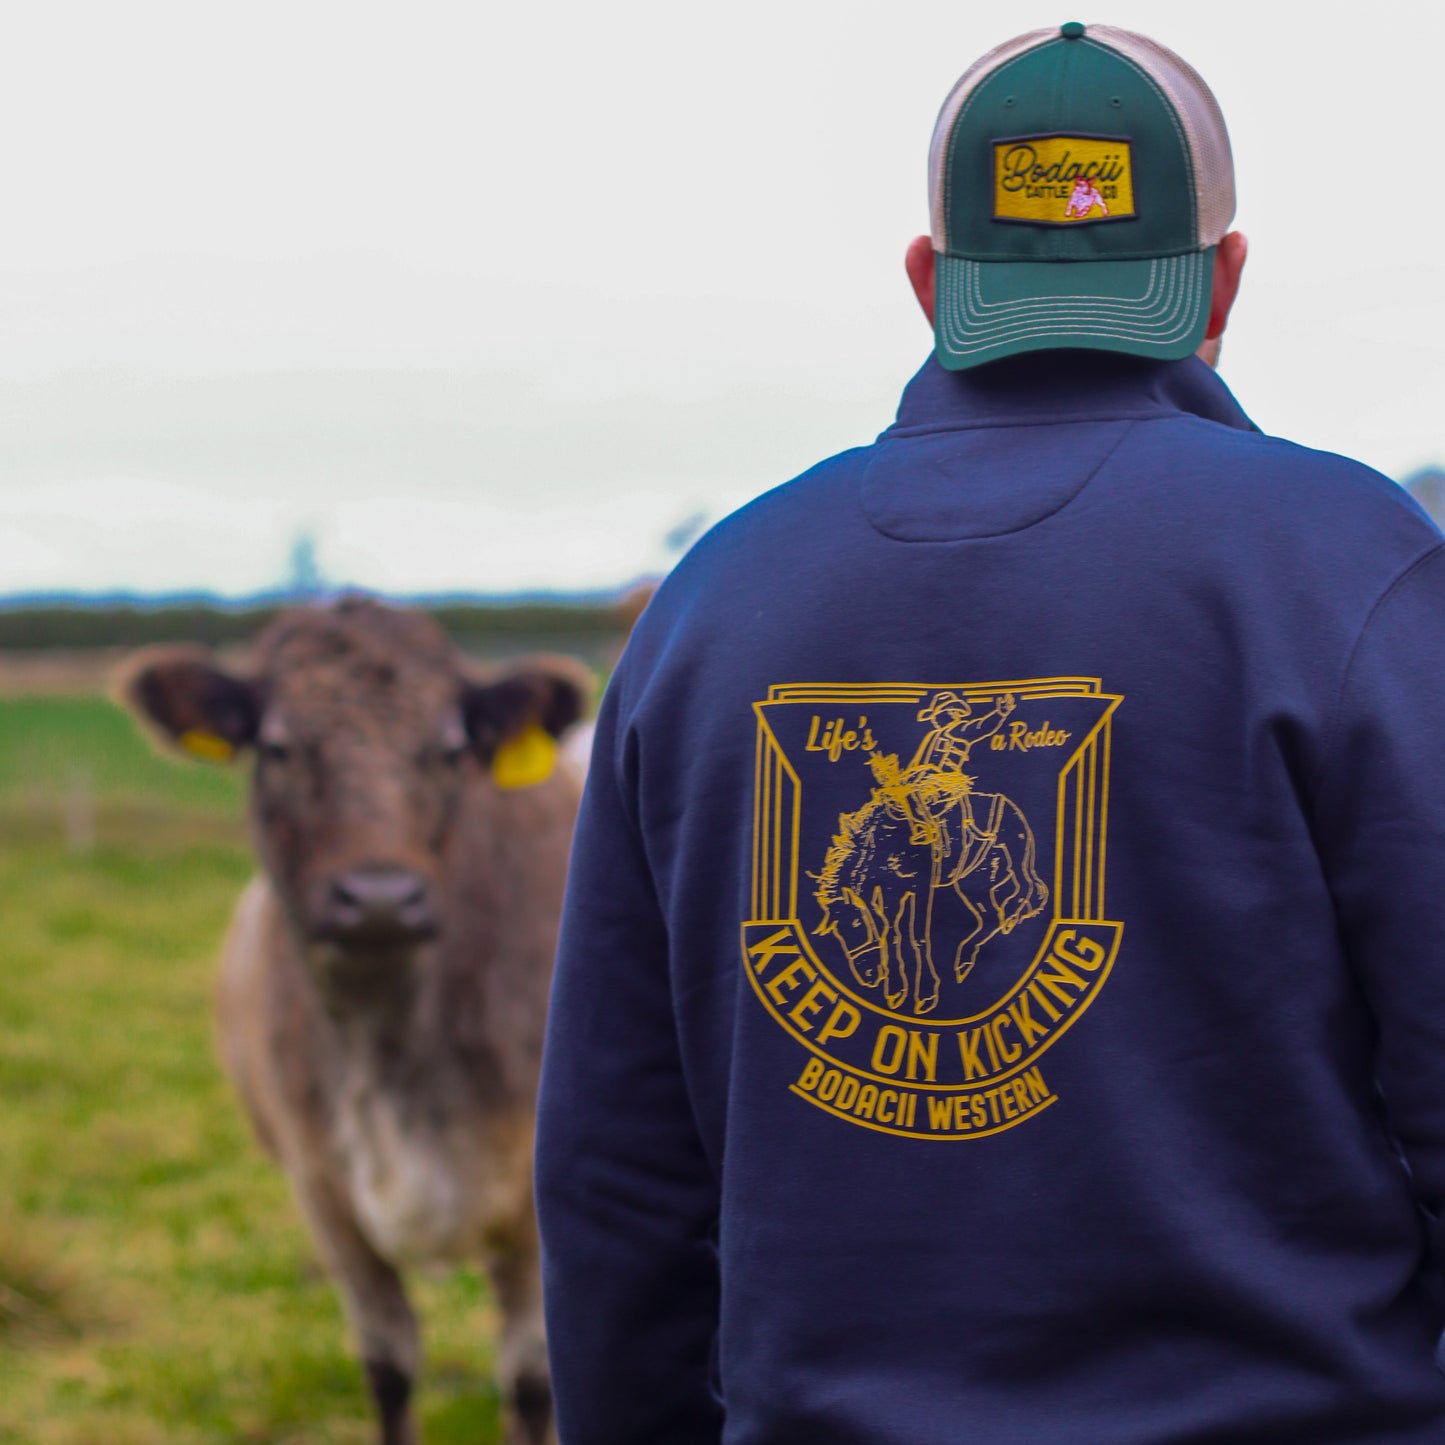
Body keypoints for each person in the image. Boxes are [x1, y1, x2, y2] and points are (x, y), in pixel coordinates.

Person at [535, 22, 1445, 1444]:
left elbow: (614, 1175)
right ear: (1221, 280)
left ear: (927, 282)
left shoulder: (715, 600)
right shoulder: (1349, 567)